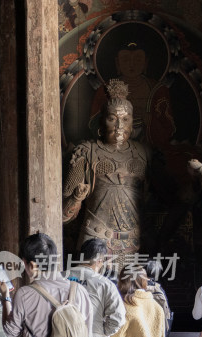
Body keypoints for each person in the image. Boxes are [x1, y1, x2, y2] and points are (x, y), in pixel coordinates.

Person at [62, 80, 151, 267]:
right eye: (112, 118)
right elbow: (61, 214)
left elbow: (162, 195)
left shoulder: (142, 153)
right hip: (95, 237)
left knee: (131, 293)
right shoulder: (87, 152)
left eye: (125, 119)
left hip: (133, 240)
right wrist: (76, 199)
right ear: (101, 123)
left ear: (133, 124)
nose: (119, 125)